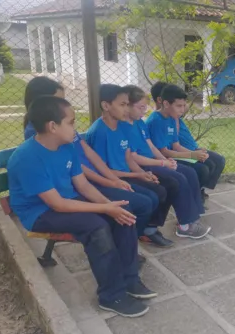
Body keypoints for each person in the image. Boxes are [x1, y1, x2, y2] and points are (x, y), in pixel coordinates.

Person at [8, 95, 154, 317]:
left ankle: (129, 279)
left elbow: (83, 185)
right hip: (40, 212)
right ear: (53, 126)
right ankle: (111, 295)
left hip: (68, 200)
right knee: (96, 226)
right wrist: (105, 209)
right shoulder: (27, 157)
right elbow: (57, 204)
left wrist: (110, 205)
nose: (76, 128)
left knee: (124, 213)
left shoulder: (66, 146)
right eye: (71, 122)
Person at [21, 77, 169, 247]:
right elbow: (77, 169)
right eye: (59, 99)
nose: (64, 104)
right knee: (137, 205)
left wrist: (114, 180)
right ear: (43, 103)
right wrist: (110, 182)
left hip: (94, 180)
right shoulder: (41, 133)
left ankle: (126, 245)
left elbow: (90, 154)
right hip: (81, 185)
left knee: (149, 198)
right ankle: (124, 246)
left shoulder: (62, 125)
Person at [87, 84, 211, 240]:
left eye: (127, 105)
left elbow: (136, 152)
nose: (126, 110)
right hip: (120, 175)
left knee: (186, 174)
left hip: (135, 169)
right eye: (123, 105)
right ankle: (153, 228)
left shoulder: (131, 124)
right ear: (106, 105)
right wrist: (147, 170)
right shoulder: (106, 130)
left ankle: (182, 220)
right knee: (167, 185)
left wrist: (162, 162)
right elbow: (115, 164)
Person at [148, 82, 226, 201]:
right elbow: (164, 151)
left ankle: (196, 192)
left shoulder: (172, 118)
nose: (182, 109)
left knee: (211, 162)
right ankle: (192, 196)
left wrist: (195, 154)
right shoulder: (157, 120)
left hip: (175, 153)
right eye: (179, 106)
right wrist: (192, 154)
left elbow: (176, 145)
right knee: (201, 169)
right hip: (162, 158)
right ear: (164, 102)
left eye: (183, 105)